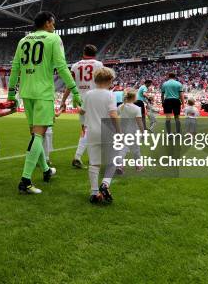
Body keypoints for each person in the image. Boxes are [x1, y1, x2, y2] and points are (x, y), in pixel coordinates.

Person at [7, 11, 81, 194]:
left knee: (35, 134)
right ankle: (25, 180)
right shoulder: (53, 39)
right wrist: (74, 90)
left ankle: (47, 171)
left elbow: (15, 67)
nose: (54, 26)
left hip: (26, 92)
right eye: (53, 23)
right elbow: (62, 67)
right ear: (47, 23)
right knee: (39, 135)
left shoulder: (23, 41)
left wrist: (10, 93)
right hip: (43, 93)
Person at [79, 67, 120, 204]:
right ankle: (105, 184)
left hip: (91, 132)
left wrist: (78, 108)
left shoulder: (89, 94)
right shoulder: (110, 95)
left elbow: (82, 111)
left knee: (94, 163)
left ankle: (94, 193)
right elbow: (113, 114)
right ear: (109, 80)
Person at [60, 44, 104, 169]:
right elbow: (102, 82)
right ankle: (82, 157)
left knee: (85, 129)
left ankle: (81, 157)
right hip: (95, 99)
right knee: (95, 129)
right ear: (95, 53)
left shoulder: (75, 66)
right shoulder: (99, 65)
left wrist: (63, 100)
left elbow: (70, 84)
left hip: (80, 99)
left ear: (83, 52)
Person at [116, 89, 145, 173]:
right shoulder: (136, 108)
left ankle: (119, 165)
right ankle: (138, 166)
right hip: (133, 131)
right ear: (134, 97)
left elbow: (114, 116)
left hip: (122, 130)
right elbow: (139, 122)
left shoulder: (121, 106)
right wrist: (143, 132)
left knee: (123, 148)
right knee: (136, 149)